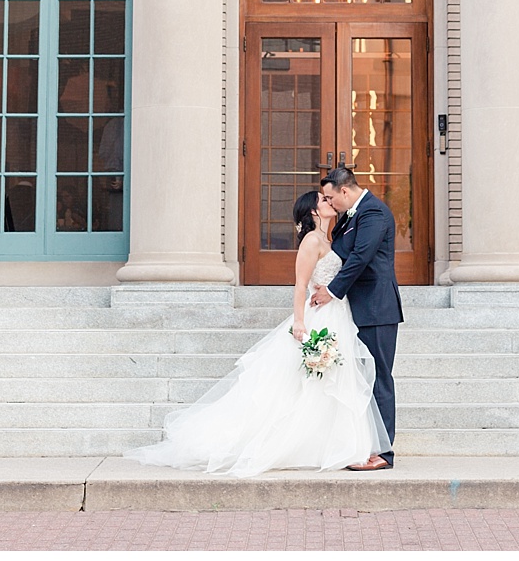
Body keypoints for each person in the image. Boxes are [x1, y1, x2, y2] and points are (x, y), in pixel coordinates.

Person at [124, 189, 390, 477]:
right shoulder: (312, 241)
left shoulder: (332, 237)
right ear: (313, 212)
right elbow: (301, 285)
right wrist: (299, 322)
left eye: (329, 198)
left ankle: (330, 444)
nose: (329, 202)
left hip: (339, 314)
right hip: (319, 316)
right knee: (310, 382)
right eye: (323, 201)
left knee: (334, 381)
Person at [310, 166, 403, 471]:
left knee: (379, 380)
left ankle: (383, 453)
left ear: (345, 192)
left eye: (330, 196)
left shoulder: (374, 213)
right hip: (356, 309)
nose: (329, 202)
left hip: (377, 309)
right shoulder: (351, 217)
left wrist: (332, 292)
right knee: (361, 381)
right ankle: (362, 445)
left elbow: (361, 257)